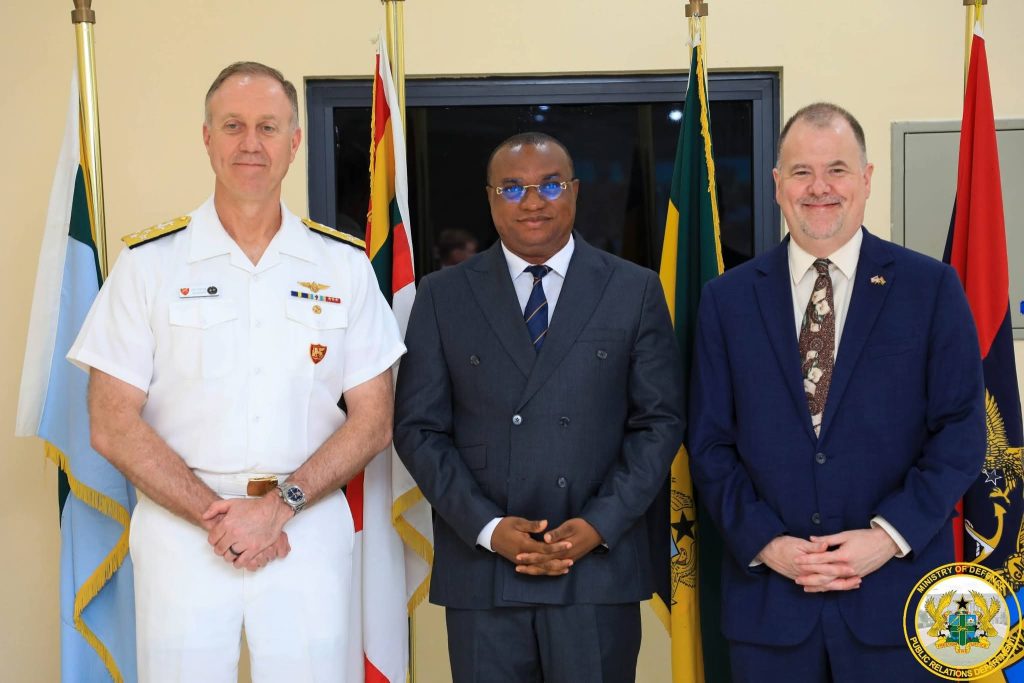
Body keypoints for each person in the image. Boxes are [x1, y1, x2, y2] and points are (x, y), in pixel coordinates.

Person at [68, 62, 405, 682]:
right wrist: (216, 516)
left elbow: (374, 420)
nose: (251, 143)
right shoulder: (149, 265)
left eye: (268, 127)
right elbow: (111, 422)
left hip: (306, 527)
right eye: (233, 126)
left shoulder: (343, 267)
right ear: (206, 138)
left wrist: (278, 507)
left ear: (294, 143)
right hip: (182, 531)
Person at [688, 102, 986, 681]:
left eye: (837, 170)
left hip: (898, 603)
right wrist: (766, 542)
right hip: (769, 609)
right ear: (778, 184)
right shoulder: (727, 300)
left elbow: (961, 432)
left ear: (867, 179)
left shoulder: (930, 288)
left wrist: (887, 537)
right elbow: (709, 442)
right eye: (801, 172)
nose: (819, 188)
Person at [393, 132, 684, 682]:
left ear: (575, 190)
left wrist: (599, 524)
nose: (532, 202)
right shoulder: (442, 295)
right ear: (489, 198)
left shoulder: (634, 289)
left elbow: (659, 423)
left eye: (550, 185)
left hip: (597, 566)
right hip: (483, 570)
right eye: (512, 188)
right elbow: (418, 429)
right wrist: (486, 526)